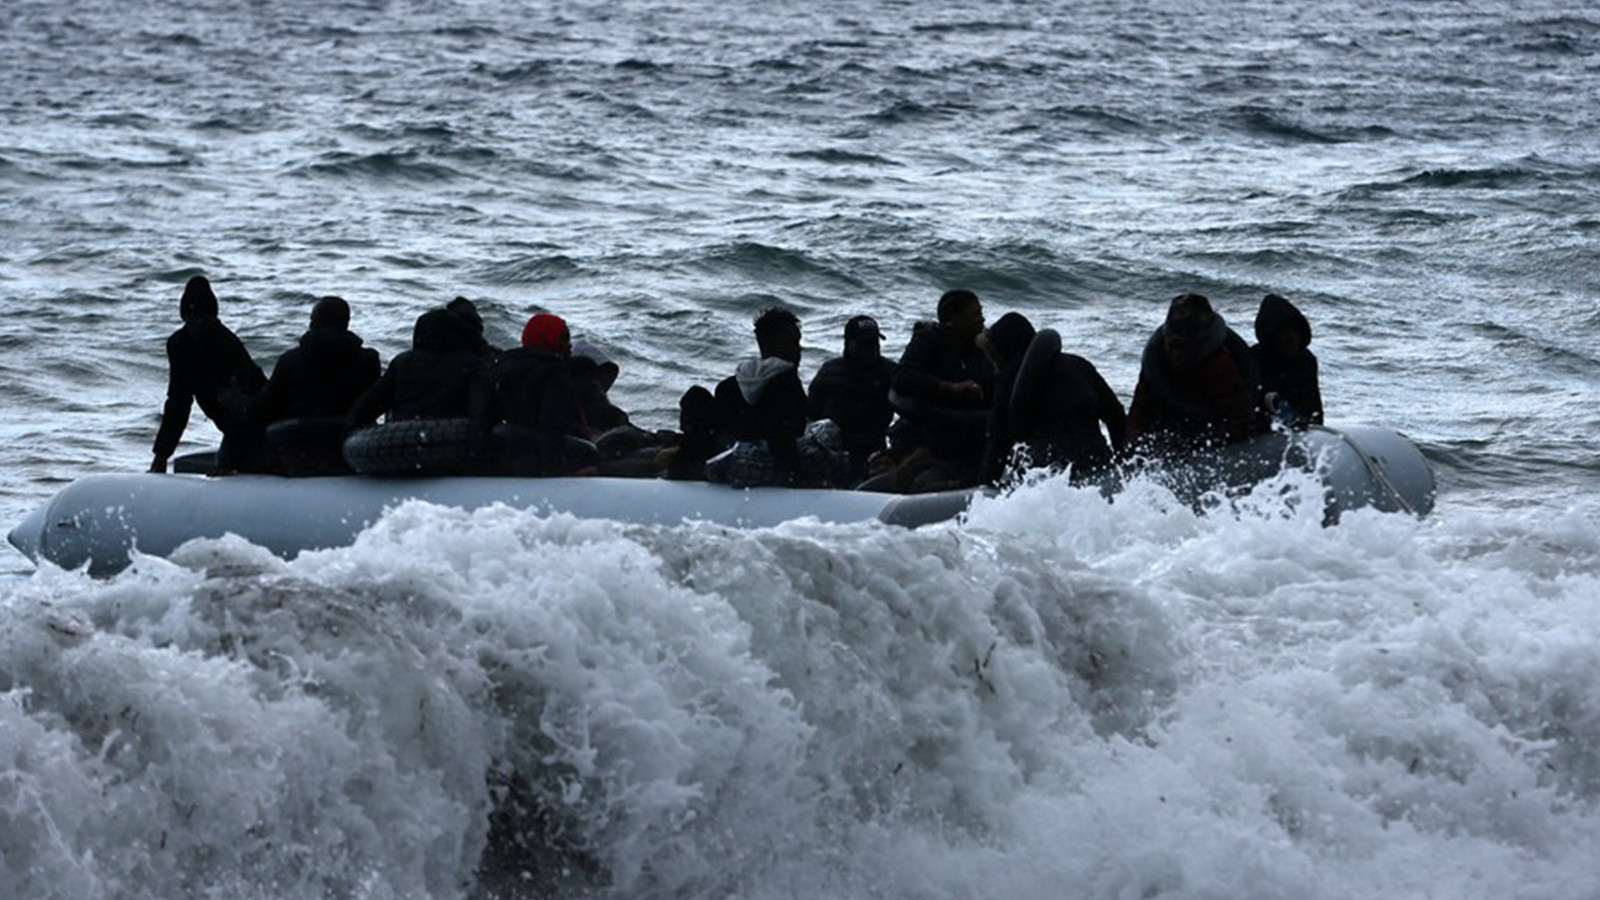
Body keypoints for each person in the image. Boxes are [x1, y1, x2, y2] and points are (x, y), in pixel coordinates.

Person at [978, 312, 1126, 486]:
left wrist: (984, 490)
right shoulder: (1079, 365)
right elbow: (1116, 416)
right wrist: (1123, 464)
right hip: (1098, 463)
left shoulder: (1011, 383)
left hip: (1050, 475)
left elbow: (997, 446)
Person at [150, 275, 269, 474]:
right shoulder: (178, 345)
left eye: (205, 318)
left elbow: (244, 405)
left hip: (258, 420)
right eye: (194, 318)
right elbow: (178, 403)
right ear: (185, 317)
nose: (199, 324)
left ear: (214, 317)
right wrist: (161, 455)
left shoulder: (228, 345)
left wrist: (228, 463)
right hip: (229, 420)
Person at [251, 295, 382, 475]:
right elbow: (374, 405)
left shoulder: (290, 360)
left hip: (298, 445)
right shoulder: (368, 360)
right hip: (350, 443)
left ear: (314, 323)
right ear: (346, 323)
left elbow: (265, 408)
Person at [1124, 293, 1265, 459]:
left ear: (1200, 343)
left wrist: (1200, 443)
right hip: (1171, 428)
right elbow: (1139, 410)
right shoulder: (1155, 363)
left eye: (1184, 347)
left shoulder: (1218, 365)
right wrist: (1132, 448)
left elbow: (1241, 420)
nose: (1176, 354)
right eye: (1172, 346)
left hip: (1210, 432)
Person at [885, 289, 995, 490]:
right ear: (953, 319)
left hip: (974, 431)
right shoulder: (929, 341)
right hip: (932, 432)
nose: (982, 319)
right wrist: (950, 388)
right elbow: (902, 377)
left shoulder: (982, 347)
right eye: (975, 314)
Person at [704, 308, 810, 487]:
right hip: (771, 470)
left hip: (733, 467)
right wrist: (797, 478)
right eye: (793, 342)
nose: (798, 349)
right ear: (773, 344)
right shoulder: (787, 383)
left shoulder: (730, 386)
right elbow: (783, 435)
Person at [481, 313, 597, 476]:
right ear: (549, 339)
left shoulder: (503, 366)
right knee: (591, 452)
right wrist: (552, 470)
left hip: (506, 441)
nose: (569, 345)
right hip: (539, 449)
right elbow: (553, 425)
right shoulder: (554, 372)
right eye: (564, 339)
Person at [345, 304, 490, 429]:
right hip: (456, 439)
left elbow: (365, 409)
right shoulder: (472, 363)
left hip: (401, 438)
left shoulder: (403, 362)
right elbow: (482, 408)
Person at [807, 314, 896, 480]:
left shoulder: (889, 372)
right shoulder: (830, 371)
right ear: (848, 343)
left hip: (874, 450)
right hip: (833, 450)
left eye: (874, 342)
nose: (871, 348)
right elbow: (811, 413)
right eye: (864, 343)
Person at [1250, 293, 1323, 428]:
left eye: (1295, 331)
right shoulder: (1253, 359)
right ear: (1270, 335)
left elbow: (1314, 410)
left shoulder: (1306, 361)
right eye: (1284, 332)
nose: (1291, 337)